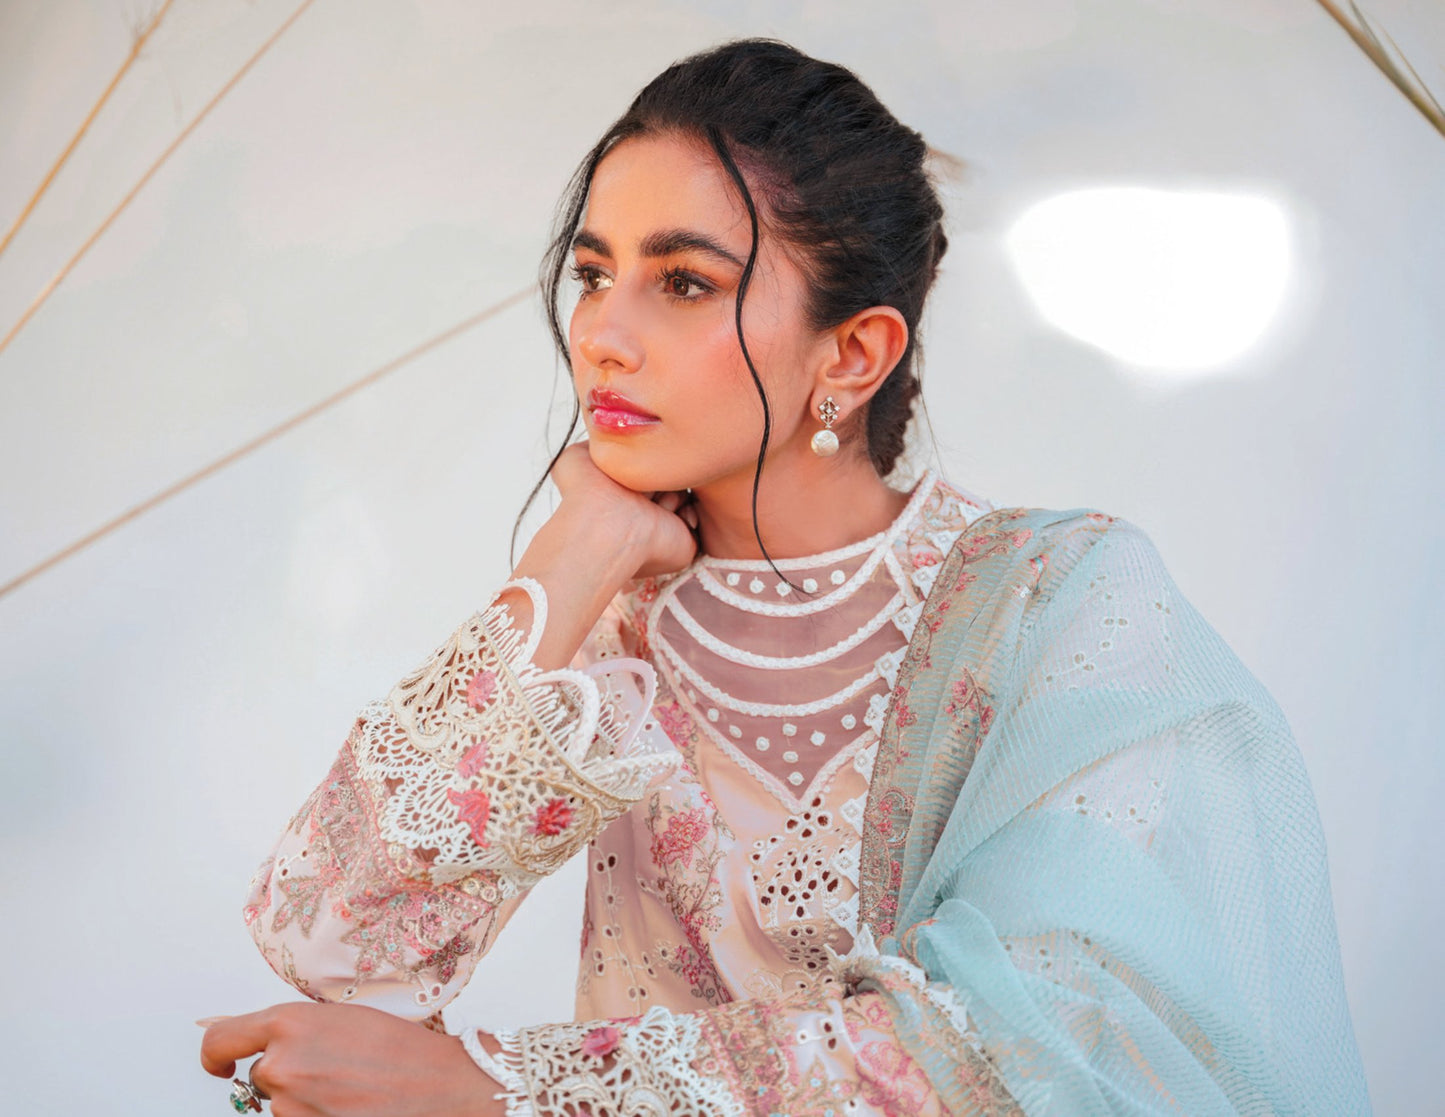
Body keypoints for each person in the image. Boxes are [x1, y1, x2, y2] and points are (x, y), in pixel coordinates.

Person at [200, 39, 1372, 1116]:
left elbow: (1013, 1054)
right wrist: (575, 549)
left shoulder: (1053, 602)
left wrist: (499, 1091)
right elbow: (331, 944)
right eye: (593, 274)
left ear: (851, 353)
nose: (600, 333)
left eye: (682, 283)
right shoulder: (606, 641)